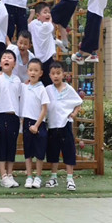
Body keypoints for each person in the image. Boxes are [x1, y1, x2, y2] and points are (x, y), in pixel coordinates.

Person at [45, 61, 83, 191]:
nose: (56, 76)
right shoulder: (47, 89)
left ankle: (70, 179)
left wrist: (74, 114)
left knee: (68, 151)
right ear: (49, 75)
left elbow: (78, 102)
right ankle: (53, 177)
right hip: (52, 125)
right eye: (53, 73)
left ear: (63, 74)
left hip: (65, 124)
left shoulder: (69, 89)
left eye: (58, 73)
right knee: (53, 152)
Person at [20, 59, 50, 189]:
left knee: (39, 152)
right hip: (27, 122)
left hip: (39, 123)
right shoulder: (24, 87)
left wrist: (37, 125)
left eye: (36, 70)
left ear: (41, 73)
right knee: (28, 152)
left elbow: (44, 109)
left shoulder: (42, 89)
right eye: (31, 70)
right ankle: (29, 176)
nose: (33, 73)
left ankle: (38, 176)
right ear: (27, 71)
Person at [0, 50, 21, 188]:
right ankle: (3, 175)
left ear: (14, 64)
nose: (6, 59)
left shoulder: (17, 80)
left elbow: (21, 96)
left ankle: (10, 174)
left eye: (10, 58)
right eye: (4, 57)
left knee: (12, 145)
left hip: (14, 116)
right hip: (0, 114)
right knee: (2, 145)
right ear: (0, 63)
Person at [28, 2, 56, 87]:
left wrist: (31, 15)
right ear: (38, 15)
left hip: (39, 60)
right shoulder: (46, 26)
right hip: (48, 59)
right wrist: (50, 19)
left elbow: (28, 24)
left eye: (49, 12)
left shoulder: (33, 24)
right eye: (45, 12)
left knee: (40, 84)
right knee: (49, 85)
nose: (48, 14)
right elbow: (50, 24)